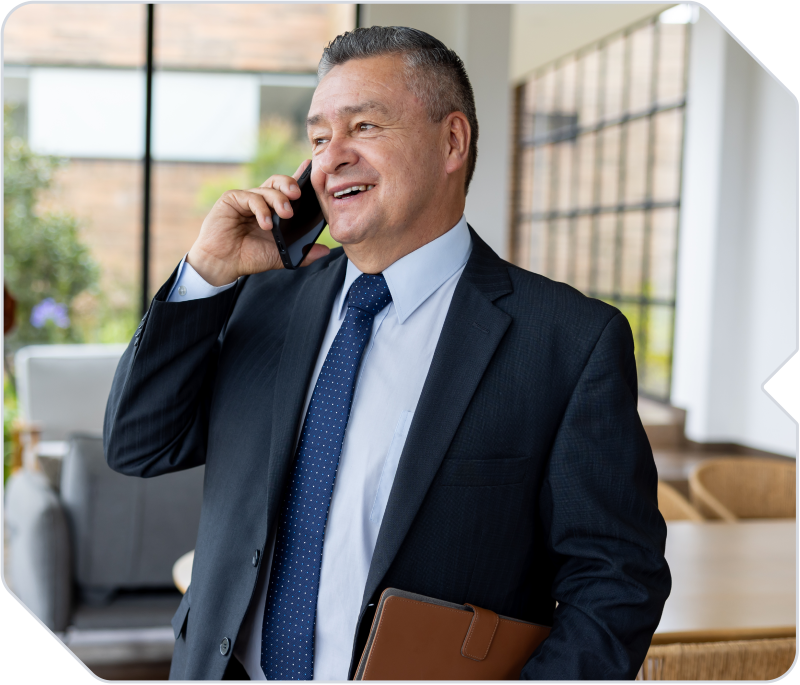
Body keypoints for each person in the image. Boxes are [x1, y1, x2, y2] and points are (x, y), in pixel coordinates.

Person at [104, 26, 670, 681]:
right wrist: (205, 271)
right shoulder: (262, 298)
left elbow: (615, 579)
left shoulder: (570, 341)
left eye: (363, 126)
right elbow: (139, 443)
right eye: (318, 138)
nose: (330, 158)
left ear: (452, 140)